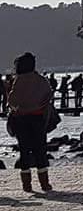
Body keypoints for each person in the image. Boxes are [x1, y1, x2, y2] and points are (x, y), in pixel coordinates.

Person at [7, 52, 53, 193]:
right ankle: (44, 183)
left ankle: (27, 185)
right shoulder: (41, 80)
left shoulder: (18, 80)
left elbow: (12, 101)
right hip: (38, 119)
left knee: (24, 150)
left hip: (21, 119)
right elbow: (49, 94)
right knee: (40, 150)